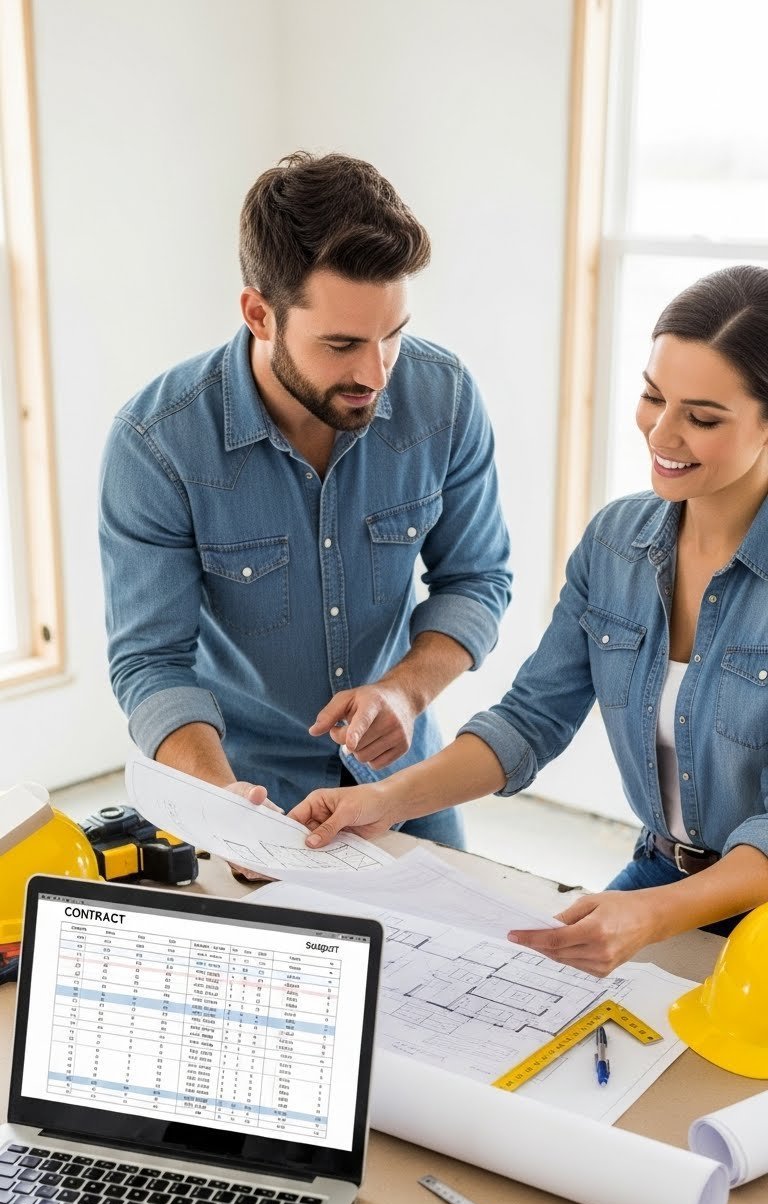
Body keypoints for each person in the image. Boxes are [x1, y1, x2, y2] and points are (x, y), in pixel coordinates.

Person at [290, 264, 768, 973]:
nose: (661, 433)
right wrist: (383, 801)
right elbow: (530, 720)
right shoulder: (616, 545)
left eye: (701, 417)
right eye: (651, 395)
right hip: (660, 875)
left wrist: (651, 915)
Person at [99, 152, 511, 854]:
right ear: (260, 313)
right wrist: (221, 801)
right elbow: (151, 661)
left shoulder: (445, 399)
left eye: (394, 334)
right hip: (248, 795)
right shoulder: (156, 443)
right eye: (343, 343)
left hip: (401, 786)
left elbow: (477, 580)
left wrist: (405, 692)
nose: (377, 372)